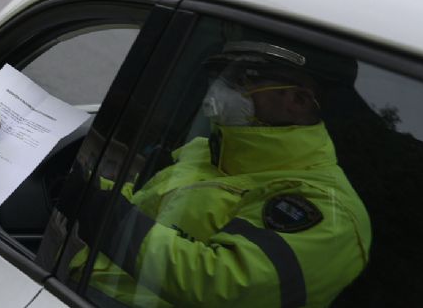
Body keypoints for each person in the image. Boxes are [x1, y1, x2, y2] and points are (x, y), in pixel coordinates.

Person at [65, 40, 371, 308]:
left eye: (241, 80)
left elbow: (221, 284)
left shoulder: (328, 211)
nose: (219, 88)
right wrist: (82, 181)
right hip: (83, 288)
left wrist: (100, 211)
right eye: (222, 76)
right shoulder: (208, 150)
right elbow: (148, 209)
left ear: (298, 101)